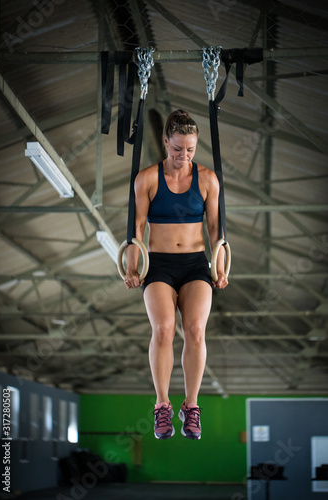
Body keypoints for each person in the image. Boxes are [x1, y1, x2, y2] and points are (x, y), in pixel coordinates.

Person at [124, 109, 228, 440]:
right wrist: (131, 265)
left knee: (195, 329)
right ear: (166, 142)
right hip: (159, 266)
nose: (183, 157)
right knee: (164, 328)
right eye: (177, 149)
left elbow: (215, 229)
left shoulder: (208, 179)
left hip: (196, 264)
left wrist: (220, 264)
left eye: (190, 150)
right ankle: (162, 406)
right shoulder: (147, 179)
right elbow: (137, 227)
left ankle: (192, 406)